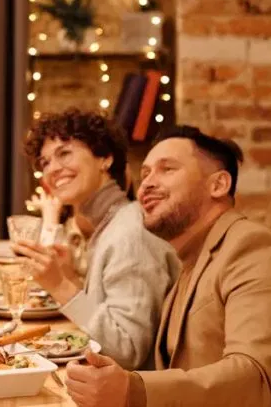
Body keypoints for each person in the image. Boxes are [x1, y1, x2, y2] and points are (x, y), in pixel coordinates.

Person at [64, 126, 271, 407]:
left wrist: (133, 390)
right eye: (145, 173)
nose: (147, 184)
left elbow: (254, 379)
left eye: (167, 169)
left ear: (218, 185)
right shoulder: (191, 259)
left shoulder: (258, 250)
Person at [12, 109, 179, 370]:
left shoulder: (130, 232)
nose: (53, 169)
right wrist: (71, 279)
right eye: (44, 163)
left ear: (105, 158)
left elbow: (128, 350)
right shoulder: (112, 223)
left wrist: (60, 286)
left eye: (64, 153)